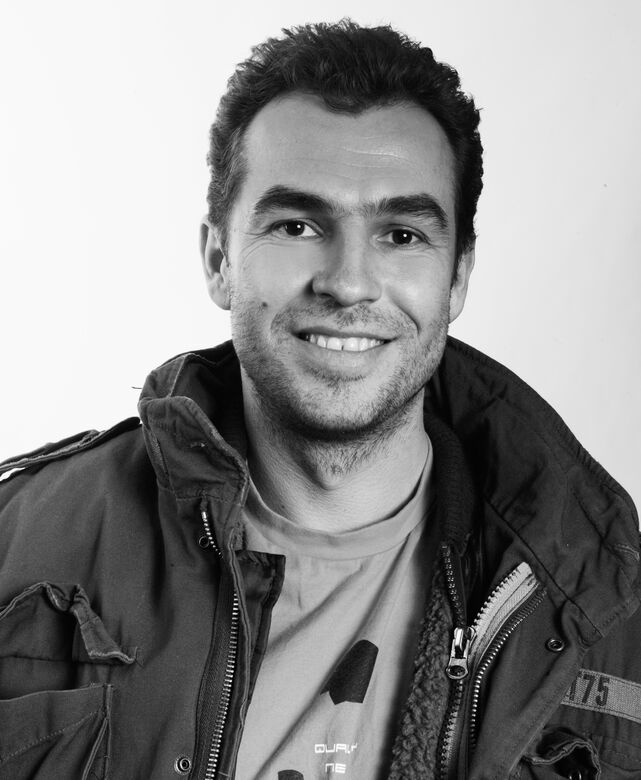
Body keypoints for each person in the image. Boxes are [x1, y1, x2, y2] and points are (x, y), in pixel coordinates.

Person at [0, 19, 638, 780]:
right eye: (298, 225)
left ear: (458, 277)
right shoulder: (19, 546)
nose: (347, 283)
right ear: (218, 258)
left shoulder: (602, 603)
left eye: (401, 235)